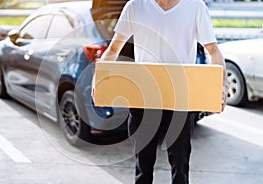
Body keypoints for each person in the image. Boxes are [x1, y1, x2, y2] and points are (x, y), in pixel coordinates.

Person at [95, 0, 228, 183]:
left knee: (180, 168)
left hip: (181, 99)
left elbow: (212, 50)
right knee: (143, 168)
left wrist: (222, 86)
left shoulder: (195, 6)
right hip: (144, 98)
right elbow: (114, 49)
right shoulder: (135, 6)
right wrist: (99, 81)